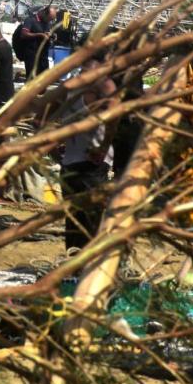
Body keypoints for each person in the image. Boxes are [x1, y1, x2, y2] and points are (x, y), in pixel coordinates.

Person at [60, 54, 118, 253]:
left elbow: (48, 119)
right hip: (91, 162)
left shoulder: (70, 85)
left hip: (71, 161)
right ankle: (84, 268)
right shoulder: (103, 86)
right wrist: (103, 147)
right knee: (90, 221)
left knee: (73, 220)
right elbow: (113, 119)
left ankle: (74, 266)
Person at [13, 5, 56, 81]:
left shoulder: (46, 22)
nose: (49, 21)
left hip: (43, 55)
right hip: (32, 55)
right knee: (32, 78)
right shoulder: (30, 20)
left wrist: (53, 35)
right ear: (44, 13)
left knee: (44, 78)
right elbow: (23, 34)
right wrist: (40, 35)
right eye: (49, 19)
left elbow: (48, 32)